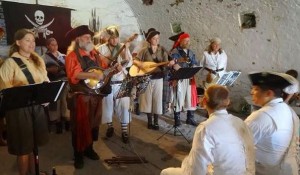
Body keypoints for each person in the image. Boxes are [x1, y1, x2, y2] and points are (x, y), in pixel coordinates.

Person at [161, 85, 255, 175]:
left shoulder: (206, 128)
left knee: (166, 172)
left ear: (204, 101)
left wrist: (186, 164)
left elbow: (196, 170)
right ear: (227, 101)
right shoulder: (240, 122)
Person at [0, 29, 49, 175]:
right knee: (23, 149)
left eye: (33, 40)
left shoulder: (38, 60)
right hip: (18, 111)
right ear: (18, 42)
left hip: (37, 108)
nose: (32, 43)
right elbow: (4, 90)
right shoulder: (10, 63)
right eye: (27, 40)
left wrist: (46, 94)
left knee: (34, 147)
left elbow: (45, 79)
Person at [65, 25, 105, 169]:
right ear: (78, 39)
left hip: (95, 96)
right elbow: (73, 75)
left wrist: (115, 68)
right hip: (81, 97)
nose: (89, 39)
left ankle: (89, 149)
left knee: (93, 125)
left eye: (90, 37)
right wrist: (92, 75)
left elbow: (103, 70)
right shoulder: (72, 56)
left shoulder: (95, 54)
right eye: (86, 37)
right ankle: (78, 155)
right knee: (80, 126)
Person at [245, 71, 299, 175]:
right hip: (289, 169)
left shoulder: (262, 116)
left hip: (267, 171)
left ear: (269, 93)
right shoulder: (287, 109)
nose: (252, 92)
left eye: (256, 89)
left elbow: (239, 145)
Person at [96, 25, 132, 143]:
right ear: (107, 38)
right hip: (108, 82)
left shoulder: (122, 47)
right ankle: (110, 126)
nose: (114, 40)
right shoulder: (100, 49)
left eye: (116, 38)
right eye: (111, 38)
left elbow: (128, 62)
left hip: (121, 81)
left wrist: (126, 49)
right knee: (107, 106)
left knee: (124, 106)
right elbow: (98, 65)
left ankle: (124, 130)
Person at [133, 28, 174, 130]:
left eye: (158, 38)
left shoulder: (162, 50)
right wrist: (141, 65)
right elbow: (135, 61)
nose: (157, 40)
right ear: (150, 40)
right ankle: (149, 121)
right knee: (147, 101)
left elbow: (165, 63)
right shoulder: (144, 51)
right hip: (147, 78)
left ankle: (156, 122)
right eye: (155, 38)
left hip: (159, 78)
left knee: (157, 100)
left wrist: (168, 64)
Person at [170, 32, 198, 126]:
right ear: (180, 41)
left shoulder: (191, 52)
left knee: (190, 97)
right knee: (178, 97)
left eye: (188, 41)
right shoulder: (175, 52)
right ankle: (177, 119)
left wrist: (194, 66)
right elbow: (174, 65)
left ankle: (190, 118)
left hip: (190, 77)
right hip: (179, 78)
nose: (187, 42)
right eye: (185, 41)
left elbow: (195, 62)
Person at [42, 37, 70, 133]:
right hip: (53, 82)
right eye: (52, 45)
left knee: (65, 101)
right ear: (48, 46)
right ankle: (58, 122)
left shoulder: (64, 56)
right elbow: (41, 70)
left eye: (56, 44)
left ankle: (67, 120)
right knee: (56, 102)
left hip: (66, 82)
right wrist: (49, 70)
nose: (55, 46)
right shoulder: (43, 58)